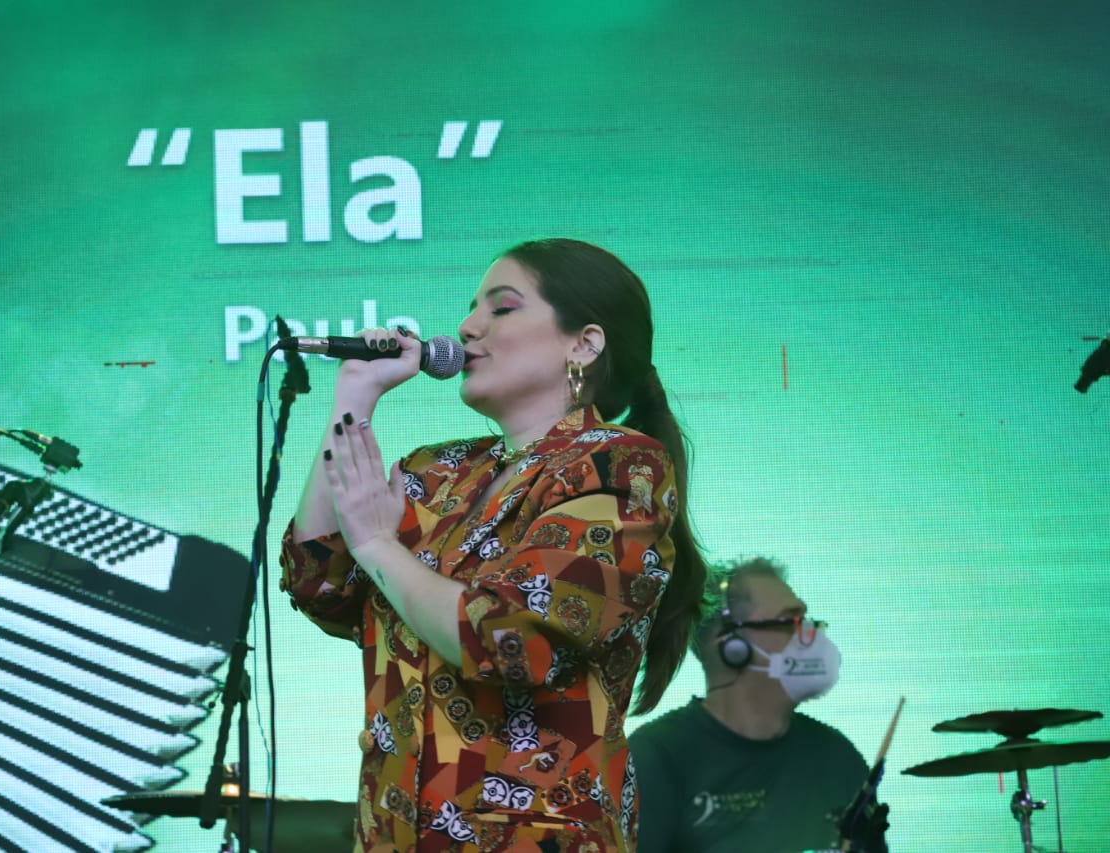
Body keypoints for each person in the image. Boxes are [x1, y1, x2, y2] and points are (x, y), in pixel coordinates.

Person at [279, 238, 708, 852]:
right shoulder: (437, 474)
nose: (467, 327)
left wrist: (377, 543)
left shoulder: (619, 465)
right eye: (470, 308)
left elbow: (512, 642)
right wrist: (355, 397)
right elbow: (318, 581)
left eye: (501, 308)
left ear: (584, 344)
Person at [629, 556, 877, 853]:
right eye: (791, 622)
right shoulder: (657, 756)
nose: (811, 637)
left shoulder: (838, 757)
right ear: (732, 646)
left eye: (808, 622)